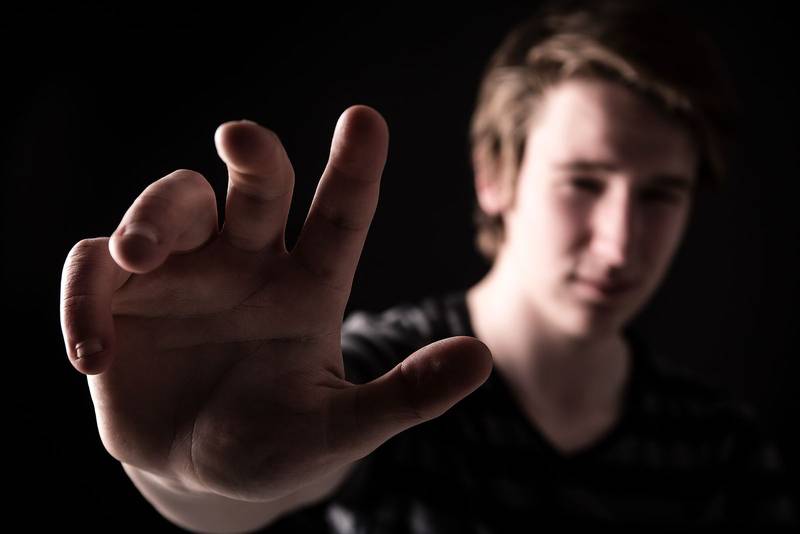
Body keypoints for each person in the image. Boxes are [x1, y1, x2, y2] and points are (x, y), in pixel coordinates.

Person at [59, 0, 797, 531]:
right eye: (583, 182)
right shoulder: (377, 368)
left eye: (661, 195)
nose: (620, 242)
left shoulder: (720, 445)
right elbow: (266, 471)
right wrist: (181, 475)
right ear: (495, 177)